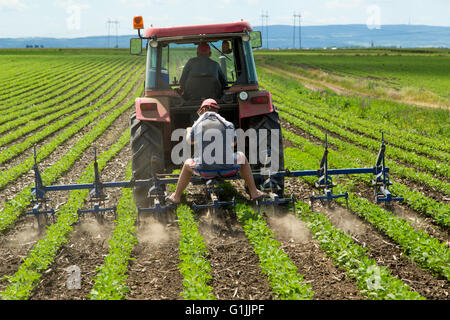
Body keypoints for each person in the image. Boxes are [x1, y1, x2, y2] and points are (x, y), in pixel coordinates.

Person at [166, 98, 266, 204]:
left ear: (203, 110)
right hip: (228, 170)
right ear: (216, 111)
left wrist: (188, 131)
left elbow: (190, 142)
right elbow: (234, 143)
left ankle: (176, 196)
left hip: (205, 171)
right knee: (242, 156)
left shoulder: (198, 125)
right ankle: (254, 192)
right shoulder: (227, 124)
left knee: (187, 163)